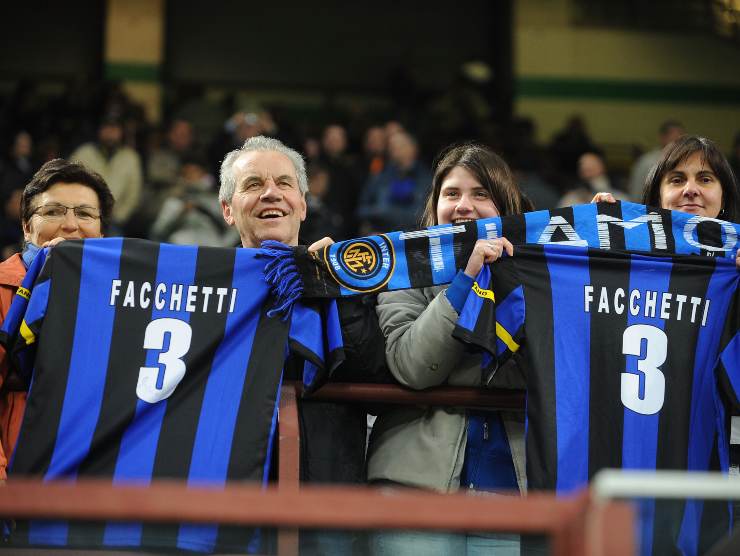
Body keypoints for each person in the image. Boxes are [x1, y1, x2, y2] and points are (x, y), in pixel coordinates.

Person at [218, 135, 387, 554]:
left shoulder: (341, 281)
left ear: (304, 204)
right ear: (227, 209)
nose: (271, 193)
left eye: (284, 183)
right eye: (253, 184)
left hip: (324, 503)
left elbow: (375, 373)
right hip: (221, 499)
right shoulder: (200, 290)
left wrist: (336, 288)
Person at [368, 143, 530, 555]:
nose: (464, 206)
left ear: (507, 205)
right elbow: (413, 367)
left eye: (481, 194)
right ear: (434, 205)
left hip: (512, 495)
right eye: (451, 194)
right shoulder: (402, 272)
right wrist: (468, 280)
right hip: (414, 494)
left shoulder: (538, 274)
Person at [0, 159, 114, 480]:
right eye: (53, 212)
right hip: (19, 485)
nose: (70, 225)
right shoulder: (1, 289)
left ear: (101, 231)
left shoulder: (120, 298)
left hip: (91, 484)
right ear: (26, 226)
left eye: (84, 214)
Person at [593, 134, 739, 267]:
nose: (690, 189)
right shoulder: (623, 249)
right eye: (677, 180)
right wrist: (594, 236)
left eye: (705, 179)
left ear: (724, 198)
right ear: (658, 197)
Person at [70, 116, 142, 231]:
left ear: (121, 132)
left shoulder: (130, 157)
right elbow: (70, 185)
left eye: (114, 129)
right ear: (99, 130)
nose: (110, 133)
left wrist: (120, 217)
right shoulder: (83, 153)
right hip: (83, 216)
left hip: (115, 220)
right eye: (106, 128)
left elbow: (133, 193)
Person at [627, 120, 684, 201]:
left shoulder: (686, 160)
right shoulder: (646, 161)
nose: (677, 140)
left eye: (680, 136)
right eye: (673, 136)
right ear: (663, 137)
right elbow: (636, 191)